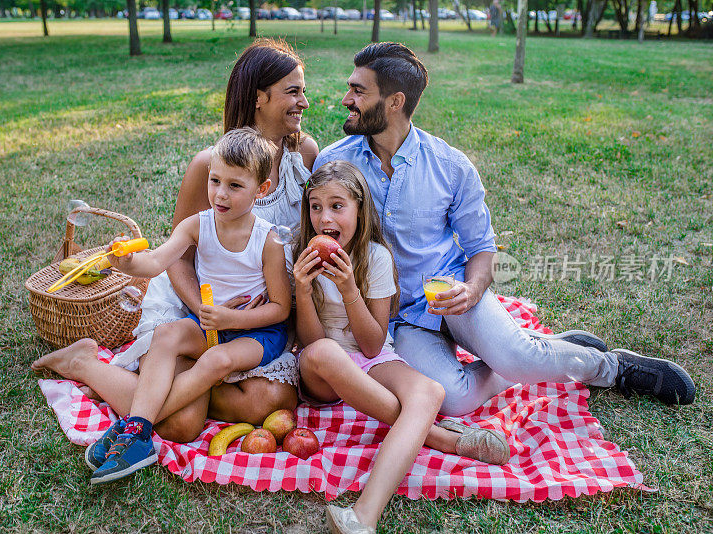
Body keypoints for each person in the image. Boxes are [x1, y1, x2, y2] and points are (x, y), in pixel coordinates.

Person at [313, 42, 696, 419]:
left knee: (516, 357)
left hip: (449, 290)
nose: (346, 98)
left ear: (395, 102)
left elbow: (482, 247)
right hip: (398, 318)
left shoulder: (450, 165)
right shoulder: (335, 162)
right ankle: (535, 354)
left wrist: (472, 289)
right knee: (454, 400)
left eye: (358, 90)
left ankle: (612, 368)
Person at [32, 39, 318, 438]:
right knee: (181, 425)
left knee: (265, 401)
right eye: (294, 91)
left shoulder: (304, 152)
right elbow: (179, 259)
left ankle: (147, 394)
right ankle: (88, 366)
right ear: (259, 97)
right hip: (196, 307)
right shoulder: (209, 165)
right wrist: (208, 310)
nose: (305, 101)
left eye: (302, 90)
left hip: (259, 317)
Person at [293, 161, 509, 534]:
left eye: (337, 206)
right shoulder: (301, 256)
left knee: (431, 391)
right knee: (326, 352)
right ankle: (441, 437)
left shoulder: (376, 257)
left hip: (369, 356)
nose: (324, 216)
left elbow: (374, 345)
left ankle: (362, 517)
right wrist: (301, 288)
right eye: (316, 206)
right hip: (323, 369)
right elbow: (311, 345)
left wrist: (349, 291)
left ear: (360, 210)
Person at [89, 127, 292, 484]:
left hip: (257, 332)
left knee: (216, 359)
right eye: (215, 181)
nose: (221, 194)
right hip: (212, 322)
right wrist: (126, 262)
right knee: (167, 335)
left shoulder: (269, 240)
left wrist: (231, 317)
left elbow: (280, 309)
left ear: (261, 190)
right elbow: (155, 262)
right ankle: (137, 433)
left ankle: (131, 430)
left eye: (235, 185)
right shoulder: (197, 226)